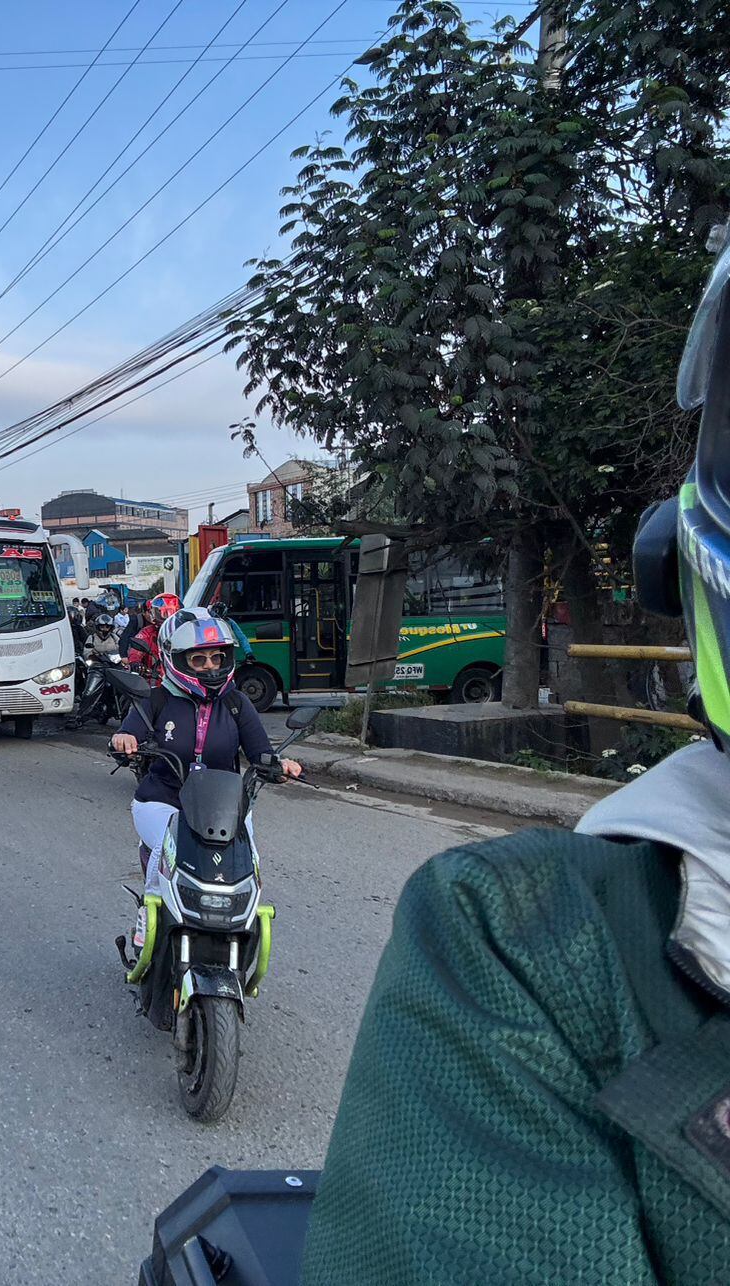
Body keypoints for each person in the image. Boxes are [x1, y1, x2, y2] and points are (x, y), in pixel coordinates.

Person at [299, 235, 730, 1283]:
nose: (213, 656)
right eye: (201, 650)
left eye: (215, 652)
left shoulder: (220, 693)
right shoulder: (522, 942)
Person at [110, 607, 301, 894]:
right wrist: (123, 740)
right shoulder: (156, 700)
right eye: (198, 659)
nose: (210, 666)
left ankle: (250, 927)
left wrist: (280, 765)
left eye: (216, 658)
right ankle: (147, 923)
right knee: (166, 857)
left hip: (225, 808)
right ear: (175, 659)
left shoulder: (237, 703)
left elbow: (261, 753)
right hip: (163, 802)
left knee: (248, 865)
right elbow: (127, 734)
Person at [125, 592, 182, 682]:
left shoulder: (186, 632)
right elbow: (136, 651)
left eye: (170, 612)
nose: (167, 617)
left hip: (184, 680)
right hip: (156, 681)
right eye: (162, 613)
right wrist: (135, 663)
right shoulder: (147, 632)